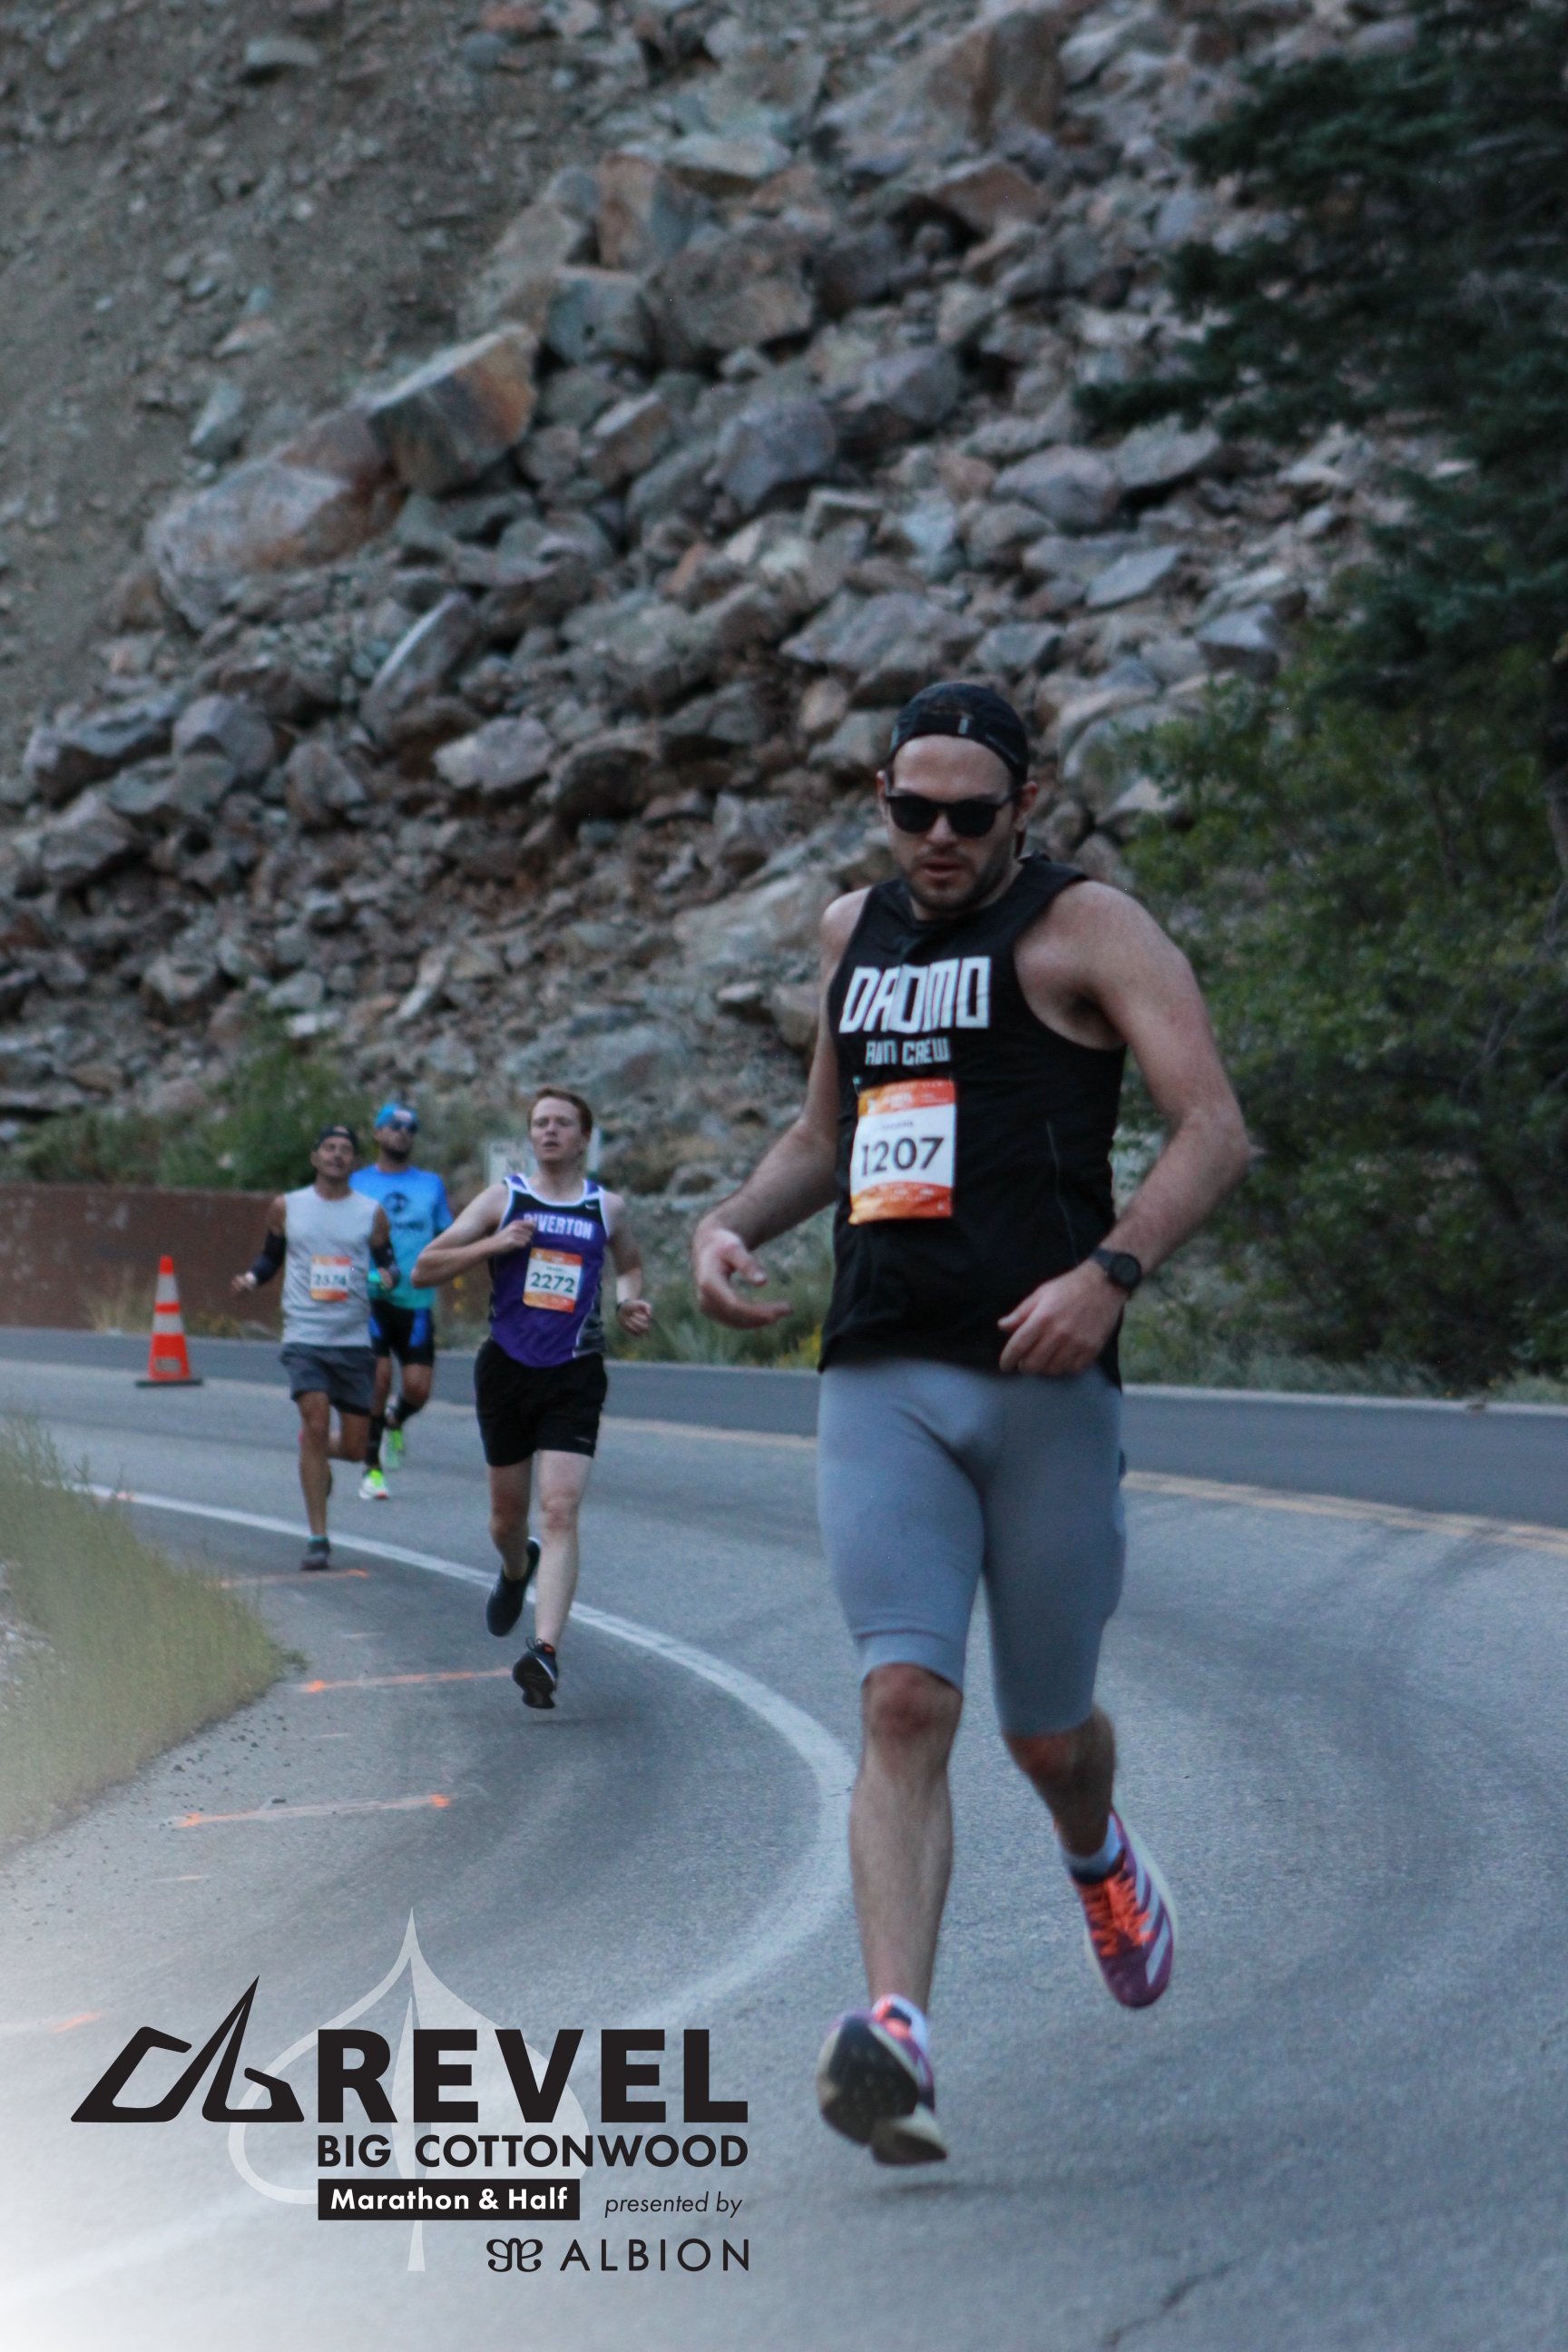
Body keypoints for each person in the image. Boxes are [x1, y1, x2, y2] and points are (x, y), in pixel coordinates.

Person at [691, 681, 1251, 2166]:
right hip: (883, 1360)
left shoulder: (1087, 930)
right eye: (911, 810)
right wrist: (729, 1224)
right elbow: (825, 1136)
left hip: (1045, 1375)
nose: (936, 838)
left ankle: (1098, 1851)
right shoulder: (851, 934)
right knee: (901, 1700)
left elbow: (1212, 1126)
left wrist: (1107, 1275)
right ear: (880, 797)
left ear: (1024, 807)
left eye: (968, 814)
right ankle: (898, 2037)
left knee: (1046, 1734)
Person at [411, 1088, 653, 1709]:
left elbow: (629, 1264)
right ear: (530, 1137)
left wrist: (628, 1302)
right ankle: (517, 1568)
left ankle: (544, 1652)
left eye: (562, 1123)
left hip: (575, 1373)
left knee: (560, 1510)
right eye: (540, 1123)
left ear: (583, 1138)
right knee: (506, 1521)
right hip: (507, 1370)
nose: (549, 1131)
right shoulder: (504, 1199)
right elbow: (425, 1267)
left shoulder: (607, 1207)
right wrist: (492, 1246)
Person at [232, 1122, 399, 1572]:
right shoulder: (288, 1206)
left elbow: (388, 1261)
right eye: (329, 1148)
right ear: (315, 1157)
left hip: (353, 1339)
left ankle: (314, 1450)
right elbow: (271, 1256)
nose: (337, 1155)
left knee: (354, 1447)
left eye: (345, 1149)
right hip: (304, 1334)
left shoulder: (370, 1212)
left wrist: (389, 1276)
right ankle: (318, 1537)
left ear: (354, 1162)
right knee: (316, 1417)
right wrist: (251, 1279)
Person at [348, 1102, 454, 1501]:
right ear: (377, 1133)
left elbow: (446, 1234)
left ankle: (395, 1419)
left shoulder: (430, 1185)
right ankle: (372, 1468)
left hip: (416, 1299)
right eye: (393, 1126)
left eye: (411, 1128)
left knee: (418, 1389)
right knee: (378, 1380)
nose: (402, 1133)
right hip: (371, 1297)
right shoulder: (357, 1182)